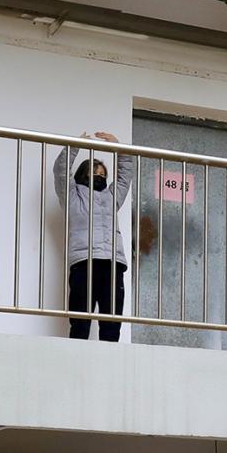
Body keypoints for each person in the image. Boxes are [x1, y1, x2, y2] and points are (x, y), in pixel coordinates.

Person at [64, 132, 134, 341]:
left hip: (113, 263)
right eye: (95, 173)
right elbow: (60, 171)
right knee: (80, 322)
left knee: (112, 323)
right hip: (84, 262)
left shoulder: (111, 196)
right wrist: (74, 145)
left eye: (103, 174)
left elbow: (124, 176)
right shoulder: (72, 195)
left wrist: (120, 149)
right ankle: (75, 364)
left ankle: (110, 368)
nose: (100, 177)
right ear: (83, 174)